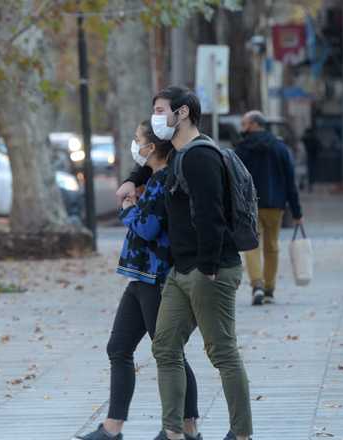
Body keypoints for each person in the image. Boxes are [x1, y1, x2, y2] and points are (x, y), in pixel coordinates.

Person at [76, 121, 201, 440]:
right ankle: (112, 428)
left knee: (169, 353)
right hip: (139, 276)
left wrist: (128, 208)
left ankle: (186, 428)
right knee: (118, 347)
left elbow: (147, 228)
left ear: (152, 148)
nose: (134, 146)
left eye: (137, 141)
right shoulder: (154, 177)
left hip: (157, 277)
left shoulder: (165, 181)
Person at [149, 86, 253, 440]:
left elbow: (211, 215)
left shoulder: (199, 157)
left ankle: (241, 434)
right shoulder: (178, 155)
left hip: (210, 269)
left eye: (162, 110)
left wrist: (207, 267)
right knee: (164, 344)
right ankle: (174, 431)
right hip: (182, 271)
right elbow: (147, 161)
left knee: (222, 351)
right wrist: (133, 180)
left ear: (183, 114)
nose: (156, 118)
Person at [234, 110, 303, 306]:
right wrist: (297, 212)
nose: (242, 127)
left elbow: (234, 178)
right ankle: (269, 289)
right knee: (272, 247)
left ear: (255, 124)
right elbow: (290, 181)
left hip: (250, 205)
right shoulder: (280, 148)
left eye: (245, 123)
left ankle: (257, 285)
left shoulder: (242, 149)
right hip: (275, 204)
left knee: (252, 245)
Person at [302, 126, 322, 191]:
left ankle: (309, 185)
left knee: (309, 171)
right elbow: (319, 146)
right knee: (311, 171)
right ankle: (310, 185)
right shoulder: (313, 137)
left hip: (309, 156)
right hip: (313, 156)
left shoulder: (308, 138)